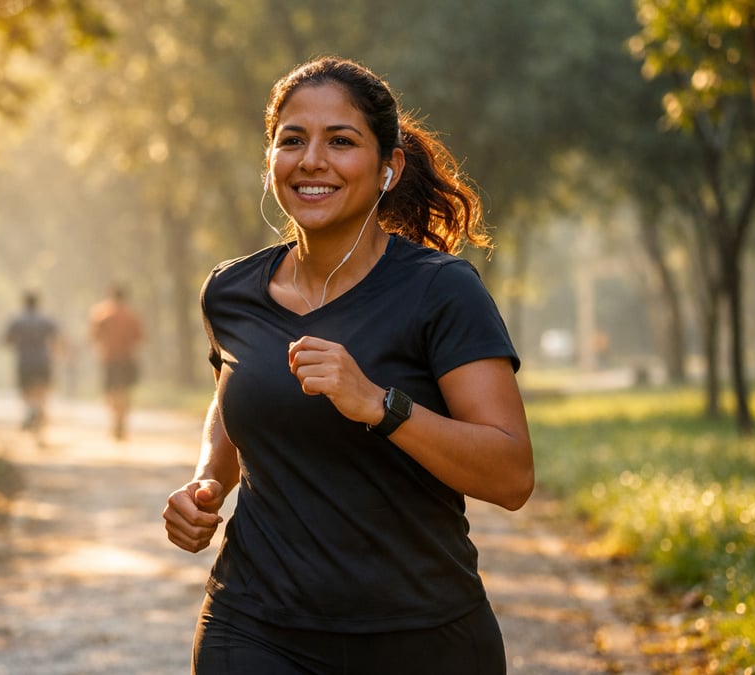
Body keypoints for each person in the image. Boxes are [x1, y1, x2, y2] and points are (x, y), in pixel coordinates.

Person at [162, 56, 534, 675]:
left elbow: (511, 475)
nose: (312, 159)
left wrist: (381, 406)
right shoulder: (231, 292)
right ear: (271, 161)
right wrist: (206, 483)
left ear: (389, 167)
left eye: (341, 141)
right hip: (255, 627)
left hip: (422, 634)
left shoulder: (442, 292)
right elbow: (236, 395)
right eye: (292, 140)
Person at [88, 283, 144, 438]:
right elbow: (139, 337)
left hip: (108, 358)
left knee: (110, 391)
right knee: (125, 389)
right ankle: (122, 421)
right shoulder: (131, 315)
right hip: (127, 357)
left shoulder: (100, 313)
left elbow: (94, 336)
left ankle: (116, 419)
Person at [3, 290, 60, 434]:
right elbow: (57, 338)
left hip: (24, 361)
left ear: (24, 303)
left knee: (26, 390)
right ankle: (39, 409)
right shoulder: (45, 320)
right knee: (42, 390)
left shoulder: (17, 321)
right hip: (42, 360)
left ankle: (30, 411)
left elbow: (6, 340)